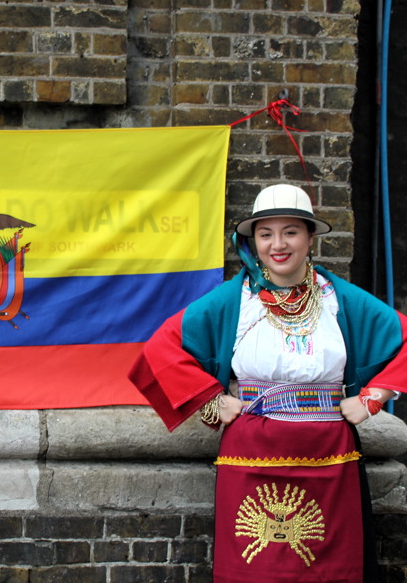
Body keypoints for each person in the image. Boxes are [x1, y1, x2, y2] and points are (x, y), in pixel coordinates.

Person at [128, 183, 407, 583]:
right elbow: (159, 351)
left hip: (330, 457)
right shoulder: (231, 301)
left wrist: (374, 398)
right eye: (265, 233)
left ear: (311, 238)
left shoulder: (339, 299)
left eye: (291, 231)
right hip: (250, 457)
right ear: (253, 240)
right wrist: (209, 398)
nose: (278, 244)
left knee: (331, 572)